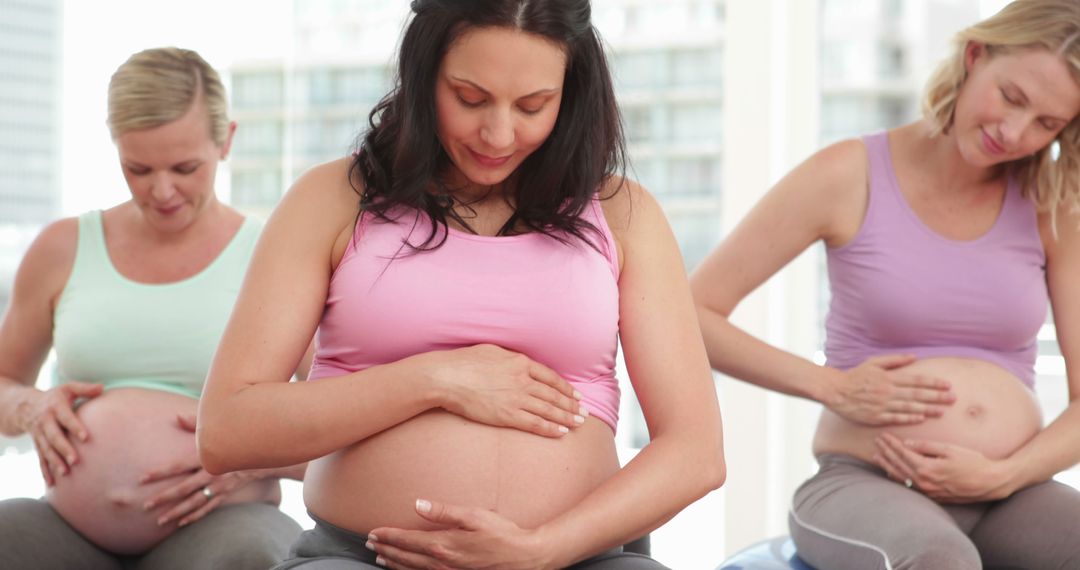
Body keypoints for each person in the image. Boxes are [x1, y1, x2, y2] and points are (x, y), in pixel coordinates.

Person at [197, 1, 726, 568]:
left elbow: (695, 452)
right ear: (424, 76)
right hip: (358, 560)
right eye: (470, 99)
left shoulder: (623, 214)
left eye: (532, 106)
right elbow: (228, 430)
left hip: (577, 561)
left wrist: (541, 550)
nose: (498, 134)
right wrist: (435, 379)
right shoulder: (332, 200)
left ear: (569, 95)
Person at [691, 1, 1080, 568]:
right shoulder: (848, 174)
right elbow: (691, 313)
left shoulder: (1051, 206)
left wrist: (1001, 475)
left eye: (1047, 124)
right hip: (864, 483)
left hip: (1009, 492)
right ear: (975, 57)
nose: (1015, 132)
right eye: (1012, 97)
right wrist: (831, 386)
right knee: (940, 561)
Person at [0, 47, 305, 569]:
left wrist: (247, 460)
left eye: (185, 167)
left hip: (223, 526)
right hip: (69, 528)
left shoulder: (273, 255)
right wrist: (30, 405)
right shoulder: (62, 247)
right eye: (138, 169)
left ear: (226, 141)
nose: (162, 191)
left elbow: (346, 428)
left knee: (252, 558)